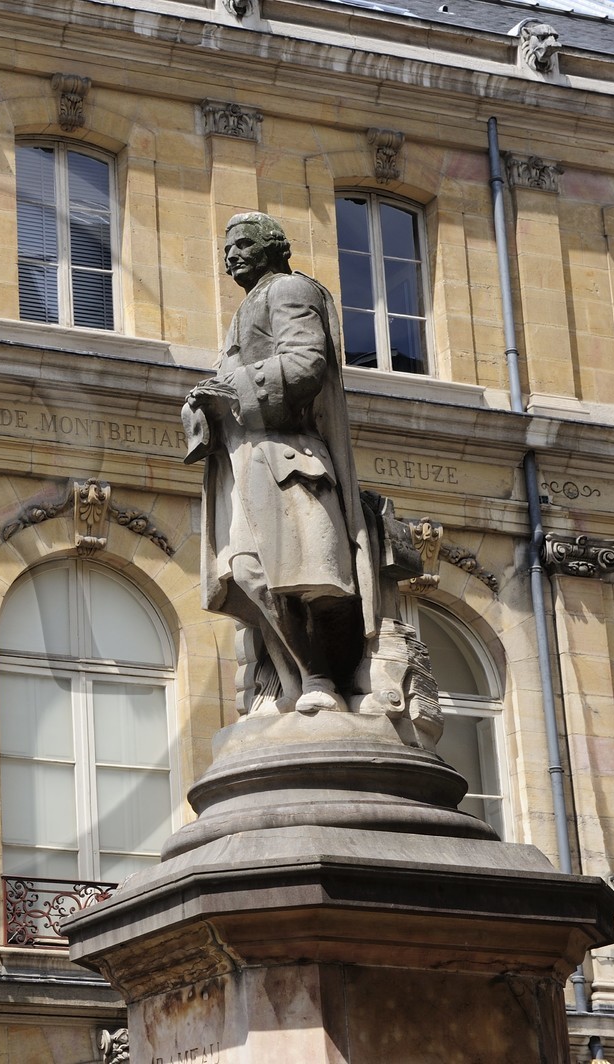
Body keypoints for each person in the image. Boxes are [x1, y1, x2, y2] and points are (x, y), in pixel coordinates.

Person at [183, 212, 376, 716]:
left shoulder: (289, 290)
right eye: (227, 250)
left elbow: (306, 363)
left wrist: (232, 389)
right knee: (247, 570)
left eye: (244, 244)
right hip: (246, 459)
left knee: (307, 578)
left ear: (274, 246)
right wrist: (204, 402)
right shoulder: (244, 309)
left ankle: (320, 679)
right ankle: (294, 681)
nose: (232, 256)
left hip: (287, 454)